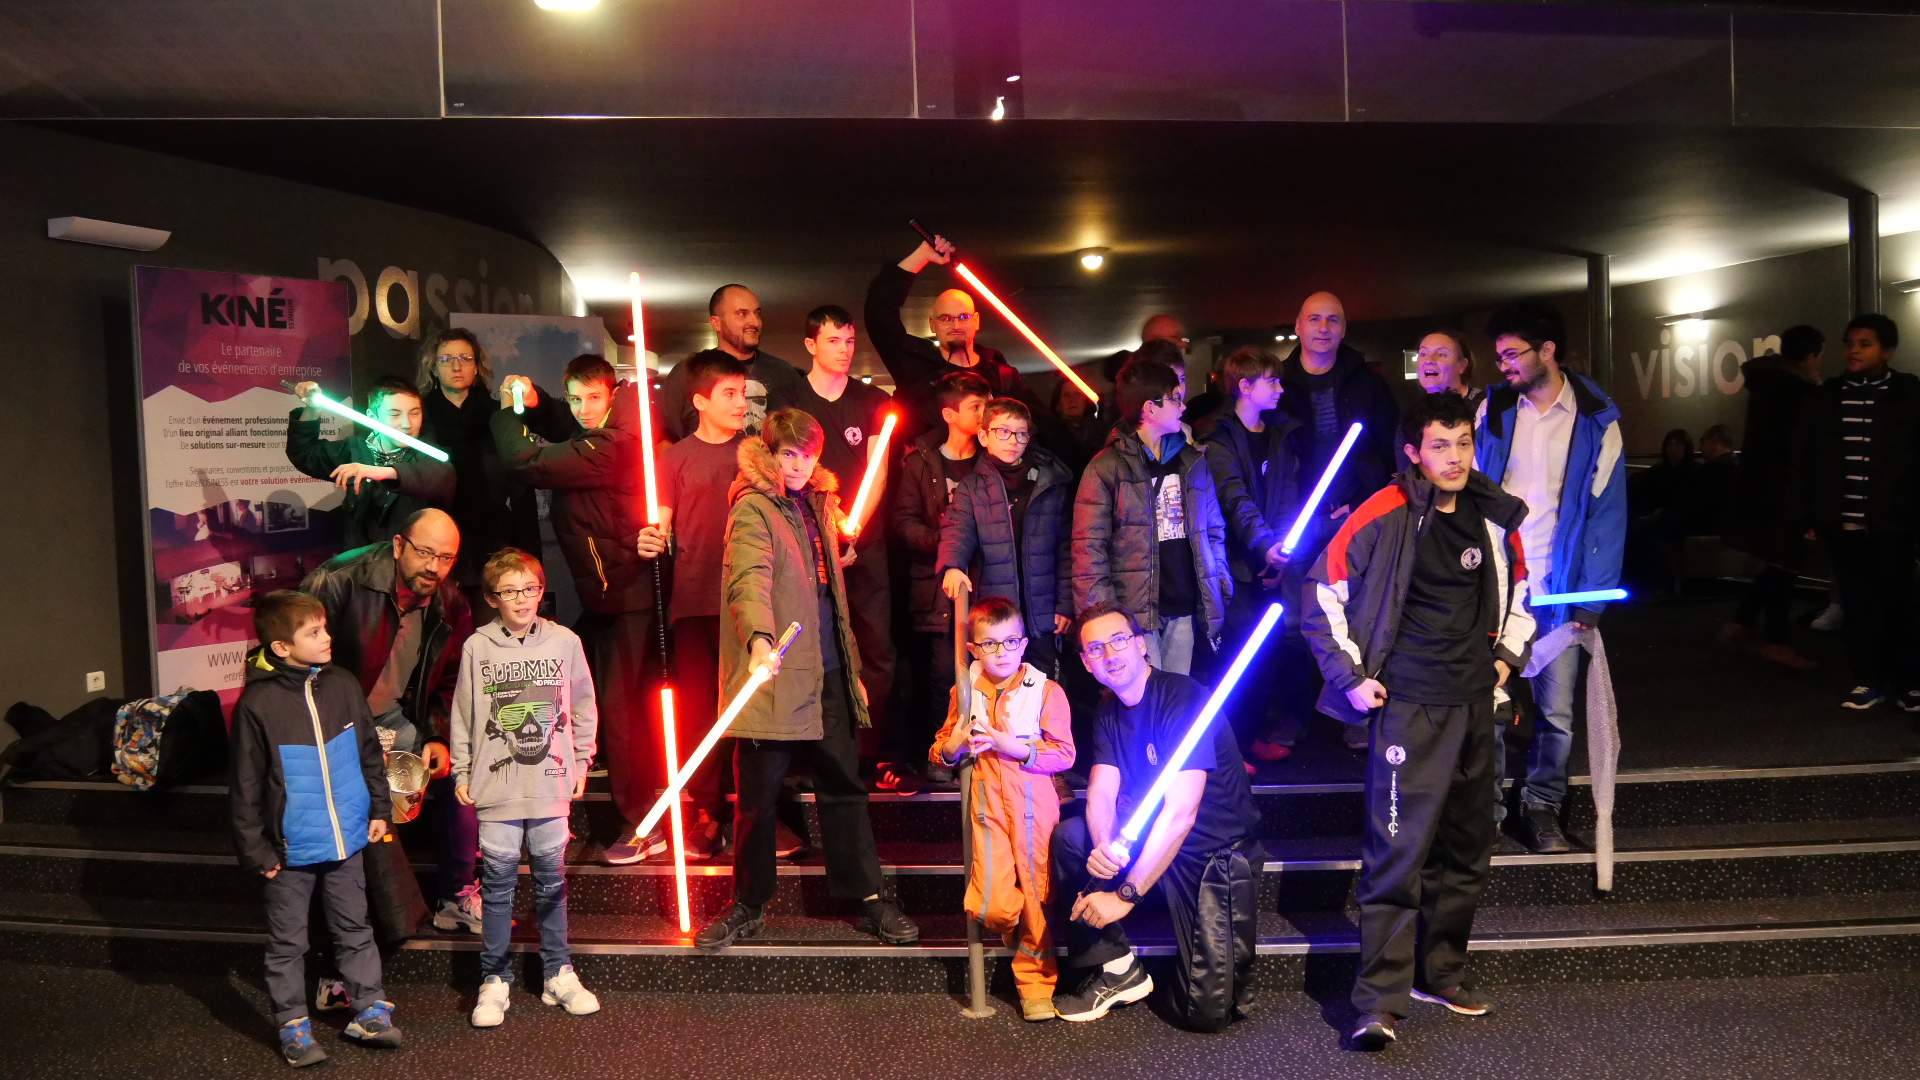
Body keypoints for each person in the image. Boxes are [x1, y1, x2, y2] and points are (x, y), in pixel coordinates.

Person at [1303, 392, 1535, 1051]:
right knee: (1397, 857)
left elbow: (1526, 587)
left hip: (1476, 705)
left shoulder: (1496, 513)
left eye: (1463, 443)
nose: (1455, 457)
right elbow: (1319, 594)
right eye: (1440, 445)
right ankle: (1378, 1001)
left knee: (1467, 851)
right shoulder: (1384, 511)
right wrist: (1351, 678)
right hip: (1408, 708)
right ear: (1413, 452)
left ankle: (1441, 974)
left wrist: (1507, 658)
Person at [695, 408, 920, 950]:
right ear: (769, 453)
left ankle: (868, 897)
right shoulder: (753, 507)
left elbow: (827, 596)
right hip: (773, 670)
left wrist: (834, 556)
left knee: (844, 785)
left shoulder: (820, 504)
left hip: (827, 667)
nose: (798, 465)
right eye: (788, 454)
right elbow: (749, 577)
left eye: (808, 455)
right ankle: (748, 903)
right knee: (757, 797)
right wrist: (759, 641)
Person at [492, 355, 670, 865]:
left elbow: (529, 461)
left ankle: (642, 824)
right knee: (609, 705)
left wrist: (507, 413)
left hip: (628, 598)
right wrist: (535, 402)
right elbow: (566, 427)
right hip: (607, 597)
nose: (584, 409)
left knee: (623, 711)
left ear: (612, 395)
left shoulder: (616, 443)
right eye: (575, 398)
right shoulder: (601, 429)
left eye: (594, 398)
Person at [1050, 603, 1261, 1031]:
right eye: (1096, 648)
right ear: (1087, 664)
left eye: (1118, 640)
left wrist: (1125, 895)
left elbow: (1181, 814)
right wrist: (1104, 848)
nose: (1110, 654)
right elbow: (1101, 792)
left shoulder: (1181, 697)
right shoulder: (1108, 711)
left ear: (1140, 645)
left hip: (1209, 853)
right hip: (1151, 842)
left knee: (1204, 1015)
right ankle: (1116, 968)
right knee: (1073, 837)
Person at [1474, 302, 1626, 853]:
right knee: (1487, 705)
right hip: (1498, 587)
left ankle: (1542, 808)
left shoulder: (1596, 417)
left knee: (1557, 714)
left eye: (1512, 354)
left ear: (1548, 351)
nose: (1504, 365)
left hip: (1559, 589)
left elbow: (1607, 512)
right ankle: (1487, 815)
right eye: (1499, 357)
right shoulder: (1492, 409)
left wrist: (1591, 600)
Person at [230, 590, 401, 1067]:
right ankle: (293, 1026)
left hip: (346, 839)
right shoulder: (258, 703)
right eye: (314, 632)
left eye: (324, 628)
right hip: (289, 851)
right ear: (282, 647)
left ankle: (369, 1010)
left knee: (355, 928)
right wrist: (256, 850)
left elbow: (368, 751)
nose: (327, 637)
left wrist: (379, 809)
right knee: (288, 942)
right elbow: (245, 785)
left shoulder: (342, 684)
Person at [301, 508, 477, 931]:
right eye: (425, 553)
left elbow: (452, 680)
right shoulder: (340, 580)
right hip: (333, 722)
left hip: (395, 718)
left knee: (461, 777)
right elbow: (295, 667)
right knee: (359, 797)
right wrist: (351, 741)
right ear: (398, 545)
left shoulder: (450, 604)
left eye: (446, 558)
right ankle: (371, 919)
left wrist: (438, 736)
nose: (434, 567)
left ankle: (456, 896)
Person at [451, 549, 600, 1027]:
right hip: (496, 786)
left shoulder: (565, 641)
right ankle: (494, 978)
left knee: (551, 882)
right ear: (492, 598)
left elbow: (583, 705)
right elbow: (464, 714)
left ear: (541, 590)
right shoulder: (477, 647)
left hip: (549, 782)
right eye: (510, 591)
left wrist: (582, 759)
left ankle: (558, 971)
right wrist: (461, 770)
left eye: (530, 589)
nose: (522, 599)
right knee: (497, 887)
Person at [929, 596, 1075, 1021]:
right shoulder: (964, 690)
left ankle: (1036, 986)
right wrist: (954, 747)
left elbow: (1064, 754)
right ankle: (1014, 935)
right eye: (990, 644)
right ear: (973, 648)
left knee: (1036, 896)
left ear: (1024, 643)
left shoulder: (1046, 690)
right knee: (993, 902)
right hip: (987, 806)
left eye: (1010, 642)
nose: (1001, 652)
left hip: (1033, 805)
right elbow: (942, 748)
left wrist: (1010, 745)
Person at [639, 350, 752, 856]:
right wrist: (649, 538)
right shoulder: (675, 458)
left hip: (749, 604)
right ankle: (708, 811)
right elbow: (658, 524)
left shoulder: (756, 453)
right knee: (700, 713)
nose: (740, 403)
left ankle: (756, 811)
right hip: (693, 602)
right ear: (701, 401)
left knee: (753, 711)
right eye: (729, 393)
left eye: (742, 393)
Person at [785, 305, 899, 777]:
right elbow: (788, 471)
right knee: (812, 646)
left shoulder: (871, 400)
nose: (844, 350)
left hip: (862, 541)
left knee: (875, 647)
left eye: (850, 341)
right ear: (811, 345)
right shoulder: (791, 398)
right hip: (808, 541)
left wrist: (852, 530)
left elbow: (878, 471)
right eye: (834, 341)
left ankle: (868, 754)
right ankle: (814, 751)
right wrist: (827, 535)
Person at [1072, 356, 1231, 677]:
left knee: (1174, 694)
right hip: (1134, 613)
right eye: (1174, 398)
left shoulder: (1192, 461)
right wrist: (1104, 614)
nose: (1183, 406)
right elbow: (1088, 548)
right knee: (1142, 695)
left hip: (1185, 603)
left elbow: (1213, 530)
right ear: (1150, 408)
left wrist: (1220, 583)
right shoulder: (1106, 467)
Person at [1793, 313, 1920, 711]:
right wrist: (1811, 514)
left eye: (1865, 344)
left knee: (1900, 602)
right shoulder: (1826, 398)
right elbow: (1806, 458)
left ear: (1888, 350)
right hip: (1843, 521)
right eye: (1850, 344)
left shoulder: (1910, 394)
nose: (1854, 351)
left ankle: (1909, 683)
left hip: (1894, 521)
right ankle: (1867, 680)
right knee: (1857, 603)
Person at [1198, 346, 1302, 763]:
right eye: (1271, 380)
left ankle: (1249, 736)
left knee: (1268, 655)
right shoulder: (1218, 435)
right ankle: (1228, 752)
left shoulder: (1279, 432)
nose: (1280, 388)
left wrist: (1280, 552)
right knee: (1234, 661)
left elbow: (1287, 495)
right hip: (1233, 565)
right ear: (1244, 385)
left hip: (1268, 560)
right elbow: (1232, 496)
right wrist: (1265, 547)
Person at [891, 371, 991, 782]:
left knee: (991, 671)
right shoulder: (921, 463)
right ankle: (942, 757)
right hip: (936, 591)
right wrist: (949, 542)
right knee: (943, 679)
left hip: (987, 584)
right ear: (950, 414)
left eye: (988, 404)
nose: (985, 414)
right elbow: (903, 522)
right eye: (976, 407)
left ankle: (987, 756)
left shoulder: (993, 460)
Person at [939, 398, 1075, 674]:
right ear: (984, 436)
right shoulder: (971, 488)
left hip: (1043, 613)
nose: (1012, 440)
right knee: (1000, 684)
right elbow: (957, 529)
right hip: (997, 616)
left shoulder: (1049, 483)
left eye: (1021, 434)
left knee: (1044, 683)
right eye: (1003, 431)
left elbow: (1066, 548)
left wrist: (1065, 604)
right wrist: (952, 566)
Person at [415, 328, 541, 613]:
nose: (456, 366)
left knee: (495, 628)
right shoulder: (419, 419)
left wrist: (529, 555)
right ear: (433, 367)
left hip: (494, 544)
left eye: (465, 358)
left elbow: (520, 486)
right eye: (446, 359)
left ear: (476, 366)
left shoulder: (499, 416)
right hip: (436, 547)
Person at [865, 233, 1037, 442]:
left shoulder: (1002, 376)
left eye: (964, 317)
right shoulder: (915, 367)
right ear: (933, 324)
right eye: (946, 318)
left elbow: (1040, 427)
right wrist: (922, 256)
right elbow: (879, 313)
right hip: (927, 462)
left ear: (976, 321)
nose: (956, 325)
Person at [1275, 292, 1402, 565]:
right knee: (1297, 593)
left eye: (1333, 320)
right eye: (1315, 319)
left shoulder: (1369, 385)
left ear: (1343, 329)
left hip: (1355, 517)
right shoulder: (1277, 387)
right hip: (1294, 522)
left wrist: (1364, 501)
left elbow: (1392, 449)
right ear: (1298, 326)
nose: (1324, 328)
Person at [1723, 327, 1823, 670]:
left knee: (1775, 562)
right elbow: (1801, 449)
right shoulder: (1800, 392)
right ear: (1811, 356)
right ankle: (1776, 641)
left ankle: (1743, 622)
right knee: (1786, 563)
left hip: (1757, 487)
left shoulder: (1766, 385)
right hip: (1786, 490)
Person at [287, 376, 455, 552]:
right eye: (394, 414)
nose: (407, 424)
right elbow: (304, 454)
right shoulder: (356, 449)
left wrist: (384, 472)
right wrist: (312, 410)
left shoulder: (431, 451)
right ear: (373, 417)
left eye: (414, 413)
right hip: (363, 561)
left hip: (414, 560)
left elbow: (443, 477)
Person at [658, 285, 806, 440]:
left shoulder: (783, 373)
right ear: (716, 323)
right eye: (742, 314)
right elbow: (665, 440)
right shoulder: (688, 373)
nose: (755, 322)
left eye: (757, 314)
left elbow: (801, 436)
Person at [1625, 429, 1699, 598]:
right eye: (1670, 445)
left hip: (1683, 518)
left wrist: (1665, 510)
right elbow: (1641, 487)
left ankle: (1661, 582)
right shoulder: (1659, 471)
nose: (1673, 449)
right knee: (1631, 523)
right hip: (1659, 516)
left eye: (1678, 445)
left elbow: (1690, 500)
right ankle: (1638, 578)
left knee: (1644, 528)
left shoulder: (1694, 471)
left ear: (1686, 447)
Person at [1414, 330, 1476, 401]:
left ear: (1462, 365)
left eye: (1442, 354)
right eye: (1423, 354)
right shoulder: (1416, 405)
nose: (1429, 360)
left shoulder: (1484, 404)